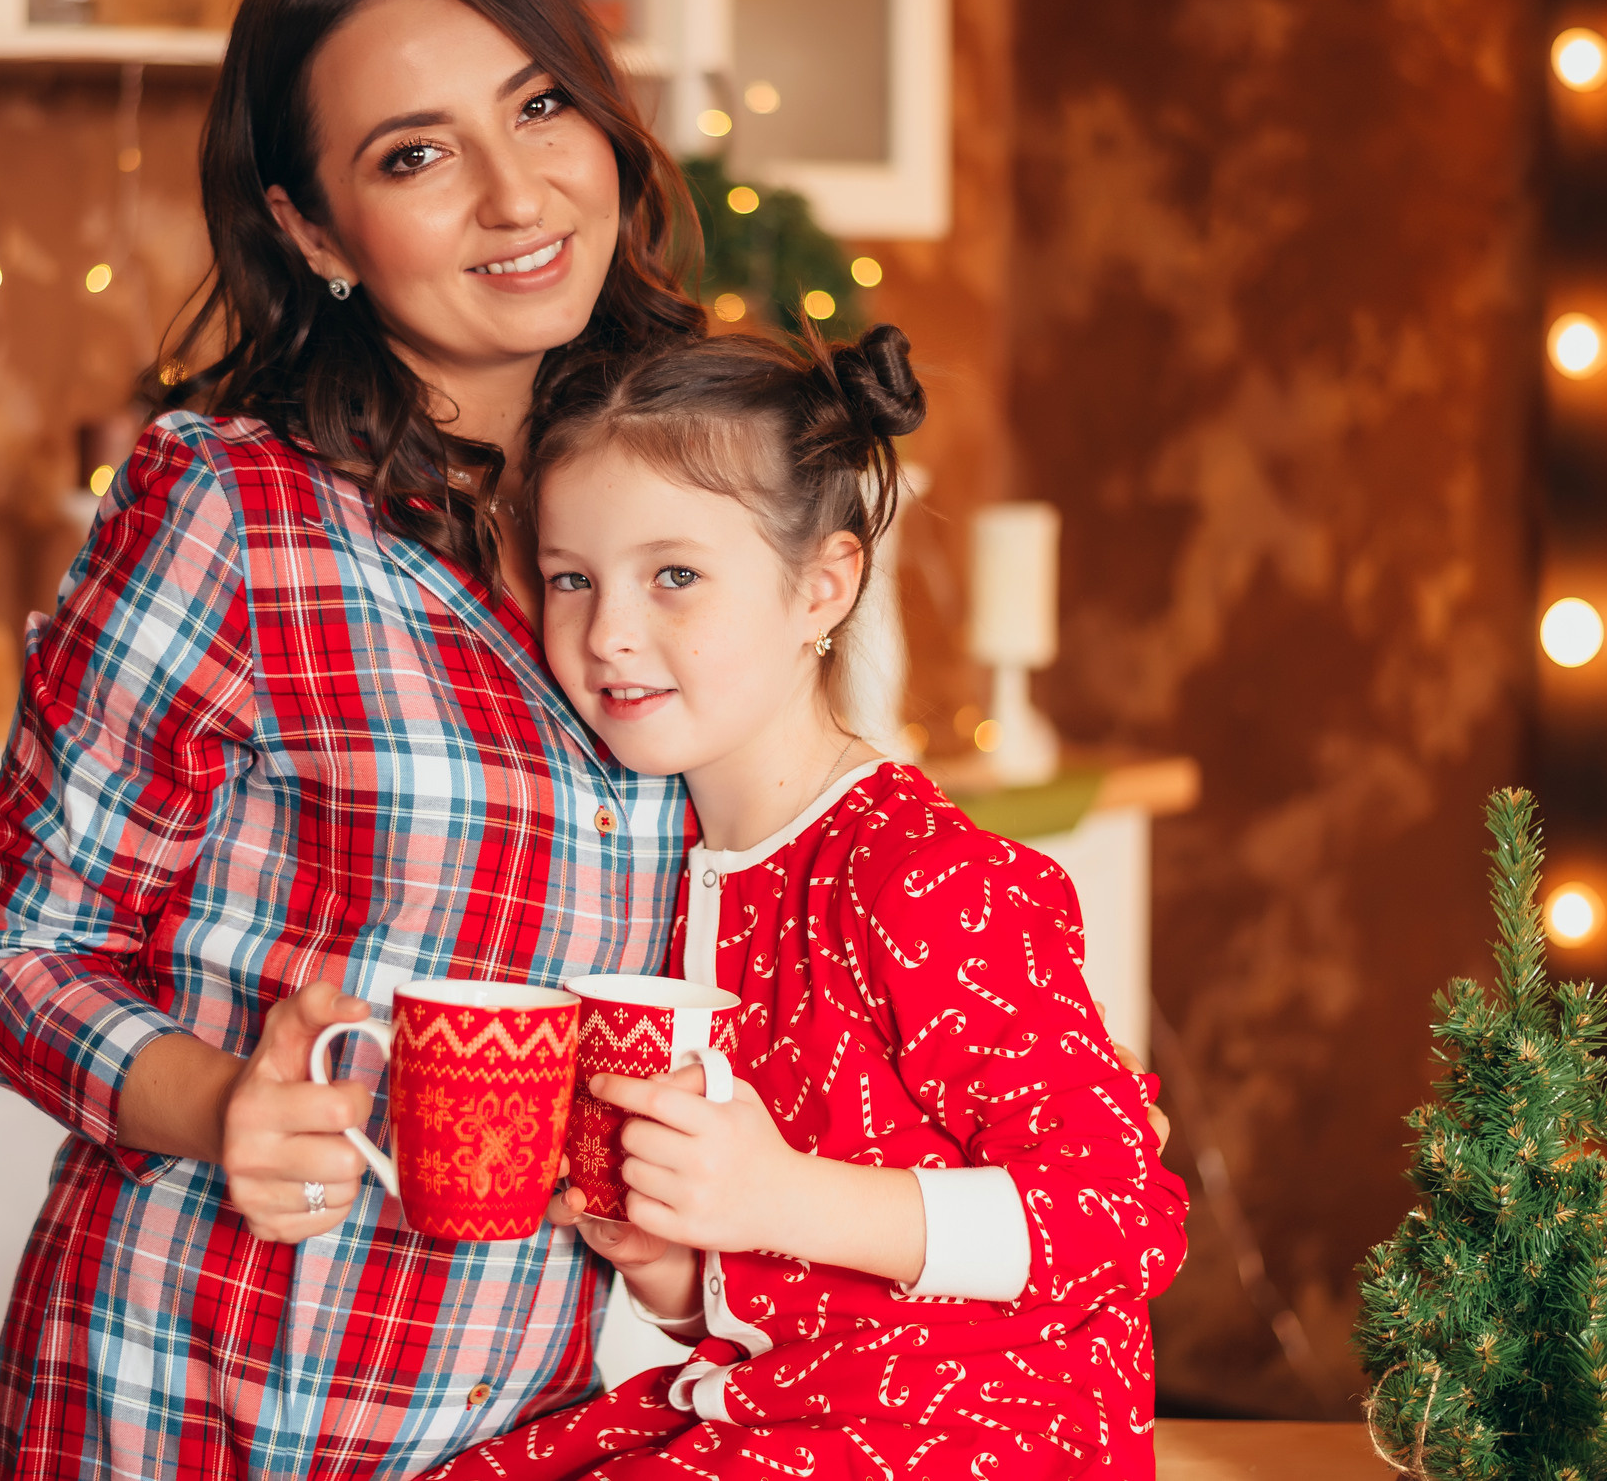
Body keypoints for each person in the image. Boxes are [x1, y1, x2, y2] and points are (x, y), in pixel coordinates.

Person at [0, 0, 706, 1480]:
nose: (518, 192)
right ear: (310, 230)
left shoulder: (669, 506)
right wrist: (222, 1101)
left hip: (513, 1412)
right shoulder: (229, 510)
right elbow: (13, 954)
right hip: (201, 1396)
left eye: (541, 103)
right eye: (414, 156)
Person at [426, 326, 1190, 1478]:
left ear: (822, 585)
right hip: (773, 1412)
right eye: (572, 576)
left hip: (971, 1438)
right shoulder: (661, 865)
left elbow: (1121, 1217)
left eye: (673, 574)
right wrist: (673, 1268)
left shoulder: (920, 878)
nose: (609, 631)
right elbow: (804, 1306)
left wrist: (777, 1191)